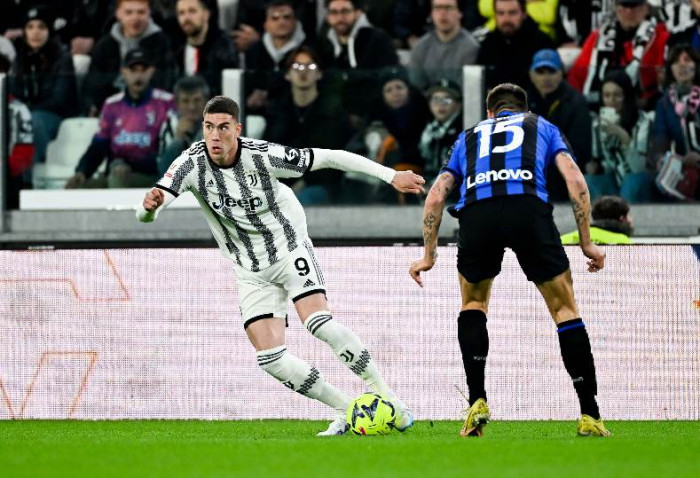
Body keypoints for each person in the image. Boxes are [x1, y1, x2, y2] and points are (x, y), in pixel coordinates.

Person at [136, 95, 425, 435]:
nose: (215, 135)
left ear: (237, 129)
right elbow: (147, 213)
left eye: (223, 128)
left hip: (288, 248)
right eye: (209, 127)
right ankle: (347, 410)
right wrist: (150, 208)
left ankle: (389, 399)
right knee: (270, 358)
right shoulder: (190, 164)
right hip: (249, 269)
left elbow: (329, 157)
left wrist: (390, 176)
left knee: (318, 323)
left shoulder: (262, 156)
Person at [409, 83, 610, 438]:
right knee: (565, 309)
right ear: (524, 109)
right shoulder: (541, 125)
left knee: (473, 303)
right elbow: (575, 179)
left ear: (490, 113)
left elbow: (436, 196)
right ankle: (589, 414)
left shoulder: (468, 136)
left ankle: (477, 401)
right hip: (527, 208)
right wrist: (586, 242)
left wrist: (428, 255)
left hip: (478, 213)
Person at [66, 48, 176, 189]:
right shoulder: (112, 105)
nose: (138, 76)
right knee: (74, 187)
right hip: (115, 171)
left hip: (152, 176)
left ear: (151, 71)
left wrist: (128, 166)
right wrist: (82, 171)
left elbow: (168, 150)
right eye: (133, 70)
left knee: (119, 178)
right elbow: (99, 145)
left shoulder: (166, 103)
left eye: (143, 70)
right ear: (123, 72)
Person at [263, 46, 353, 204]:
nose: (303, 72)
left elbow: (331, 163)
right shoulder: (278, 112)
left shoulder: (333, 113)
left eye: (310, 66)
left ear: (319, 74)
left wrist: (300, 185)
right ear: (288, 74)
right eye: (297, 67)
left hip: (320, 185)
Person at [567, 0, 669, 108]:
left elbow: (666, 79)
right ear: (616, 8)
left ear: (647, 8)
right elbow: (577, 76)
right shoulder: (598, 37)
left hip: (642, 108)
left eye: (635, 6)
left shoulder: (660, 38)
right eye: (624, 5)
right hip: (597, 106)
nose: (629, 11)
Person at [10, 5, 78, 165]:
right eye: (30, 27)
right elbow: (13, 92)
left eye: (41, 27)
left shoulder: (62, 58)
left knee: (34, 123)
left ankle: (26, 174)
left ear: (49, 30)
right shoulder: (18, 58)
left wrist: (27, 111)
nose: (35, 32)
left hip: (52, 115)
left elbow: (60, 100)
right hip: (24, 114)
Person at [83, 0, 178, 114]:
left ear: (149, 12)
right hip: (111, 107)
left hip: (150, 108)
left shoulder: (161, 42)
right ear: (118, 14)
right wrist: (92, 106)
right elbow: (93, 81)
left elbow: (166, 82)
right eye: (129, 12)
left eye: (141, 12)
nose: (135, 18)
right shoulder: (105, 44)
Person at [527, 49, 591, 201]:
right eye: (540, 72)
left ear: (561, 73)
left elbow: (579, 149)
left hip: (564, 178)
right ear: (531, 75)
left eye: (551, 71)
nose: (546, 78)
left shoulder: (576, 103)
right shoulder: (523, 102)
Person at [587, 71, 655, 202]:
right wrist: (594, 166)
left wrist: (623, 137)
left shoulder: (643, 121)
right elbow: (603, 164)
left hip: (637, 179)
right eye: (606, 95)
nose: (611, 101)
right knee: (589, 180)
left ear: (627, 96)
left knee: (631, 181)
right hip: (613, 180)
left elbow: (638, 167)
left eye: (617, 95)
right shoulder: (597, 124)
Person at [651, 43, 700, 201]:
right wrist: (663, 160)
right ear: (670, 69)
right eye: (676, 62)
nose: (682, 65)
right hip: (679, 169)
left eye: (687, 60)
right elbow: (660, 138)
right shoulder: (664, 103)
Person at [244, 0, 308, 115]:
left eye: (287, 17)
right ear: (266, 25)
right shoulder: (254, 51)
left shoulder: (307, 50)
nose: (281, 22)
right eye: (275, 18)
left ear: (295, 22)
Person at [476, 0, 555, 90]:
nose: (506, 19)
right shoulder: (488, 45)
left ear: (524, 14)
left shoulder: (542, 44)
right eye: (500, 13)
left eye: (512, 13)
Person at [408, 0, 480, 90]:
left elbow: (467, 87)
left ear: (460, 13)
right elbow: (416, 87)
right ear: (431, 13)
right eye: (437, 8)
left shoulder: (471, 48)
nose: (442, 13)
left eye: (448, 8)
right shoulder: (420, 47)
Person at [174, 0, 238, 96]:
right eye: (181, 13)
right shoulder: (176, 47)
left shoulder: (223, 46)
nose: (186, 18)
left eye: (192, 11)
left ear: (206, 14)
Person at [157, 75, 210, 174]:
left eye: (197, 100)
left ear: (206, 101)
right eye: (185, 101)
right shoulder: (170, 125)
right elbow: (163, 170)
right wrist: (178, 140)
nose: (192, 107)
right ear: (177, 104)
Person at [419, 79, 463, 183]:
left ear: (458, 104)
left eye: (447, 99)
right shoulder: (428, 128)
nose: (440, 105)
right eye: (435, 99)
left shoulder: (463, 129)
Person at [561, 195, 634, 244]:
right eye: (629, 215)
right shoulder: (624, 244)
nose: (631, 220)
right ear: (622, 218)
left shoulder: (564, 240)